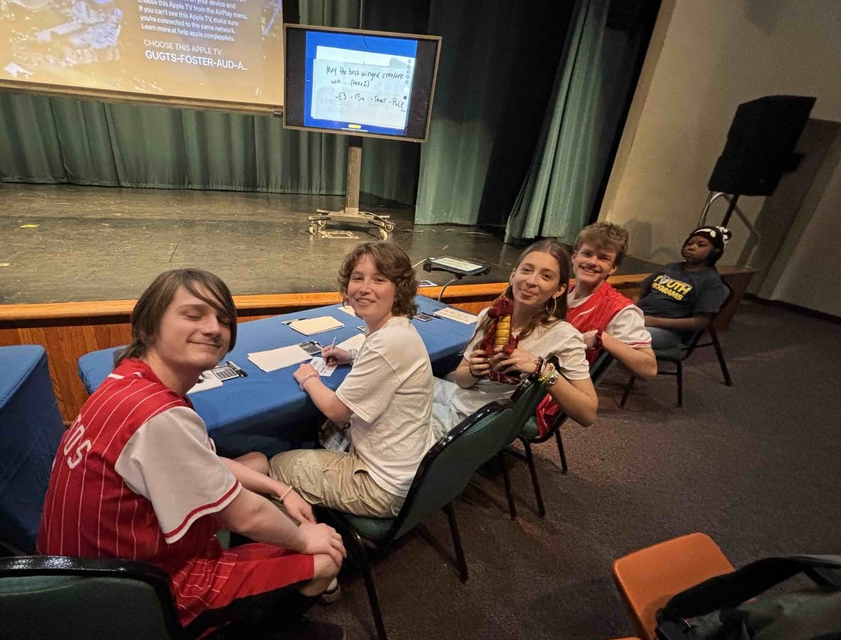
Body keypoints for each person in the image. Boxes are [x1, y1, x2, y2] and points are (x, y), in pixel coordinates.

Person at [37, 268, 348, 640]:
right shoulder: (158, 416)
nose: (214, 328)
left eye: (222, 318)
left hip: (84, 582)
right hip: (137, 598)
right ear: (150, 326)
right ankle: (272, 635)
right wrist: (307, 539)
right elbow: (245, 516)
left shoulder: (125, 382)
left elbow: (202, 462)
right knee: (325, 556)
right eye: (194, 314)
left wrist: (280, 489)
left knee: (256, 465)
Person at [269, 242, 434, 519]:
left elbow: (336, 410)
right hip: (408, 469)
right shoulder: (396, 330)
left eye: (379, 279)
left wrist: (309, 377)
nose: (364, 287)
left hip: (381, 486)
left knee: (276, 465)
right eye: (358, 278)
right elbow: (386, 362)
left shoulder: (387, 342)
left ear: (398, 290)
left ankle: (303, 541)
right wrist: (353, 356)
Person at [431, 239, 597, 439]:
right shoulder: (489, 316)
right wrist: (473, 371)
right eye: (526, 270)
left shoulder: (564, 337)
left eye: (546, 276)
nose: (531, 281)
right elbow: (462, 380)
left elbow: (588, 414)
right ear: (513, 275)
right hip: (460, 396)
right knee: (402, 382)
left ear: (559, 290)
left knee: (392, 412)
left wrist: (541, 369)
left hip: (473, 420)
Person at [533, 222, 659, 430]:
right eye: (587, 253)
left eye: (603, 258)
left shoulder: (620, 310)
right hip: (532, 370)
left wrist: (603, 338)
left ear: (613, 267)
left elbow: (649, 368)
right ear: (574, 256)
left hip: (549, 392)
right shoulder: (561, 292)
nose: (592, 262)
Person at [636, 226, 731, 351]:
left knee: (621, 336)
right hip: (639, 318)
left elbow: (701, 322)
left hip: (667, 331)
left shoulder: (711, 282)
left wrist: (654, 321)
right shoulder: (670, 267)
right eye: (689, 243)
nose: (692, 247)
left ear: (715, 252)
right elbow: (641, 292)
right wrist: (632, 310)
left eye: (701, 245)